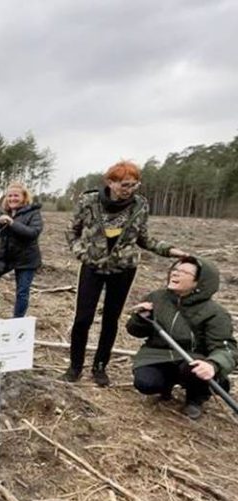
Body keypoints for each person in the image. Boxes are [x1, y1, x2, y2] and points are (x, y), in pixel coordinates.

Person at [64, 160, 187, 386]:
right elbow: (72, 230)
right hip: (93, 266)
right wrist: (81, 253)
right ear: (110, 182)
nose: (129, 190)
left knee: (111, 319)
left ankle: (100, 366)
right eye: (125, 185)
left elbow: (144, 238)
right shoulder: (88, 201)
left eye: (134, 185)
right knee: (83, 318)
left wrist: (169, 250)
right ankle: (75, 366)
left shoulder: (140, 205)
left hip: (123, 269)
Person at [127, 257, 236, 420]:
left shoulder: (215, 313)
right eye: (175, 270)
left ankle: (196, 398)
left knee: (193, 370)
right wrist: (140, 318)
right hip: (157, 355)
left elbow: (227, 349)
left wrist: (213, 365)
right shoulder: (157, 298)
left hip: (193, 359)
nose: (175, 274)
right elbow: (135, 332)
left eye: (184, 272)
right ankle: (165, 387)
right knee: (145, 382)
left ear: (198, 282)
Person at [0, 182, 43, 318]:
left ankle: (17, 320)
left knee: (22, 292)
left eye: (16, 196)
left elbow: (32, 233)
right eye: (10, 196)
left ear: (24, 197)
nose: (12, 199)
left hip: (26, 259)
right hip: (5, 256)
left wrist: (12, 223)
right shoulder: (2, 211)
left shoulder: (33, 212)